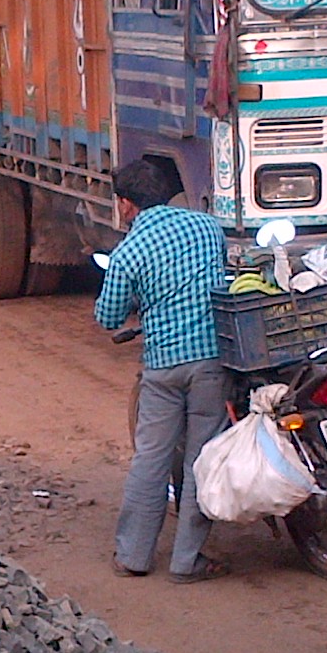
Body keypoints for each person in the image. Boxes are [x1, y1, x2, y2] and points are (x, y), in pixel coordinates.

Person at [94, 156, 231, 581]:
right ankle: (187, 560)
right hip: (211, 360)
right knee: (200, 459)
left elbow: (109, 316)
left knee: (150, 459)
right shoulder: (207, 227)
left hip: (162, 366)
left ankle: (133, 556)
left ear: (127, 204)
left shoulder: (128, 251)